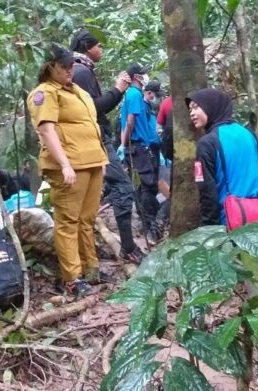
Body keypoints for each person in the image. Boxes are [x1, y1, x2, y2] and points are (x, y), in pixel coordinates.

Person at [27, 43, 108, 297]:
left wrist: (101, 162)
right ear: (49, 67)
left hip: (92, 161)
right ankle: (72, 277)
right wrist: (64, 164)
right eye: (64, 66)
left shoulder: (76, 92)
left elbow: (91, 125)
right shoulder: (44, 93)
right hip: (70, 165)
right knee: (68, 222)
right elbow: (46, 130)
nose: (69, 70)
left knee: (87, 219)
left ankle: (90, 268)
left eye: (71, 65)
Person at [69, 29, 145, 263]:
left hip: (93, 139)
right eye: (98, 46)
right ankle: (128, 247)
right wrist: (118, 89)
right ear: (87, 47)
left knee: (99, 193)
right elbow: (95, 108)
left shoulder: (78, 69)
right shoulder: (81, 71)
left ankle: (89, 252)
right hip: (96, 140)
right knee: (123, 187)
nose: (100, 50)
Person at [187, 88, 258, 226]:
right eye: (190, 109)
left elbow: (207, 192)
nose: (191, 113)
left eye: (196, 107)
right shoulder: (248, 134)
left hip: (229, 219)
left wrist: (210, 230)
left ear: (211, 106)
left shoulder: (207, 142)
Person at [120, 64, 163, 244]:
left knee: (146, 184)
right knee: (147, 184)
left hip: (141, 145)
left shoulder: (133, 95)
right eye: (143, 75)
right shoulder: (135, 94)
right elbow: (130, 120)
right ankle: (149, 224)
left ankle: (148, 221)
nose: (145, 77)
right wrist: (124, 143)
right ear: (137, 77)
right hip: (137, 145)